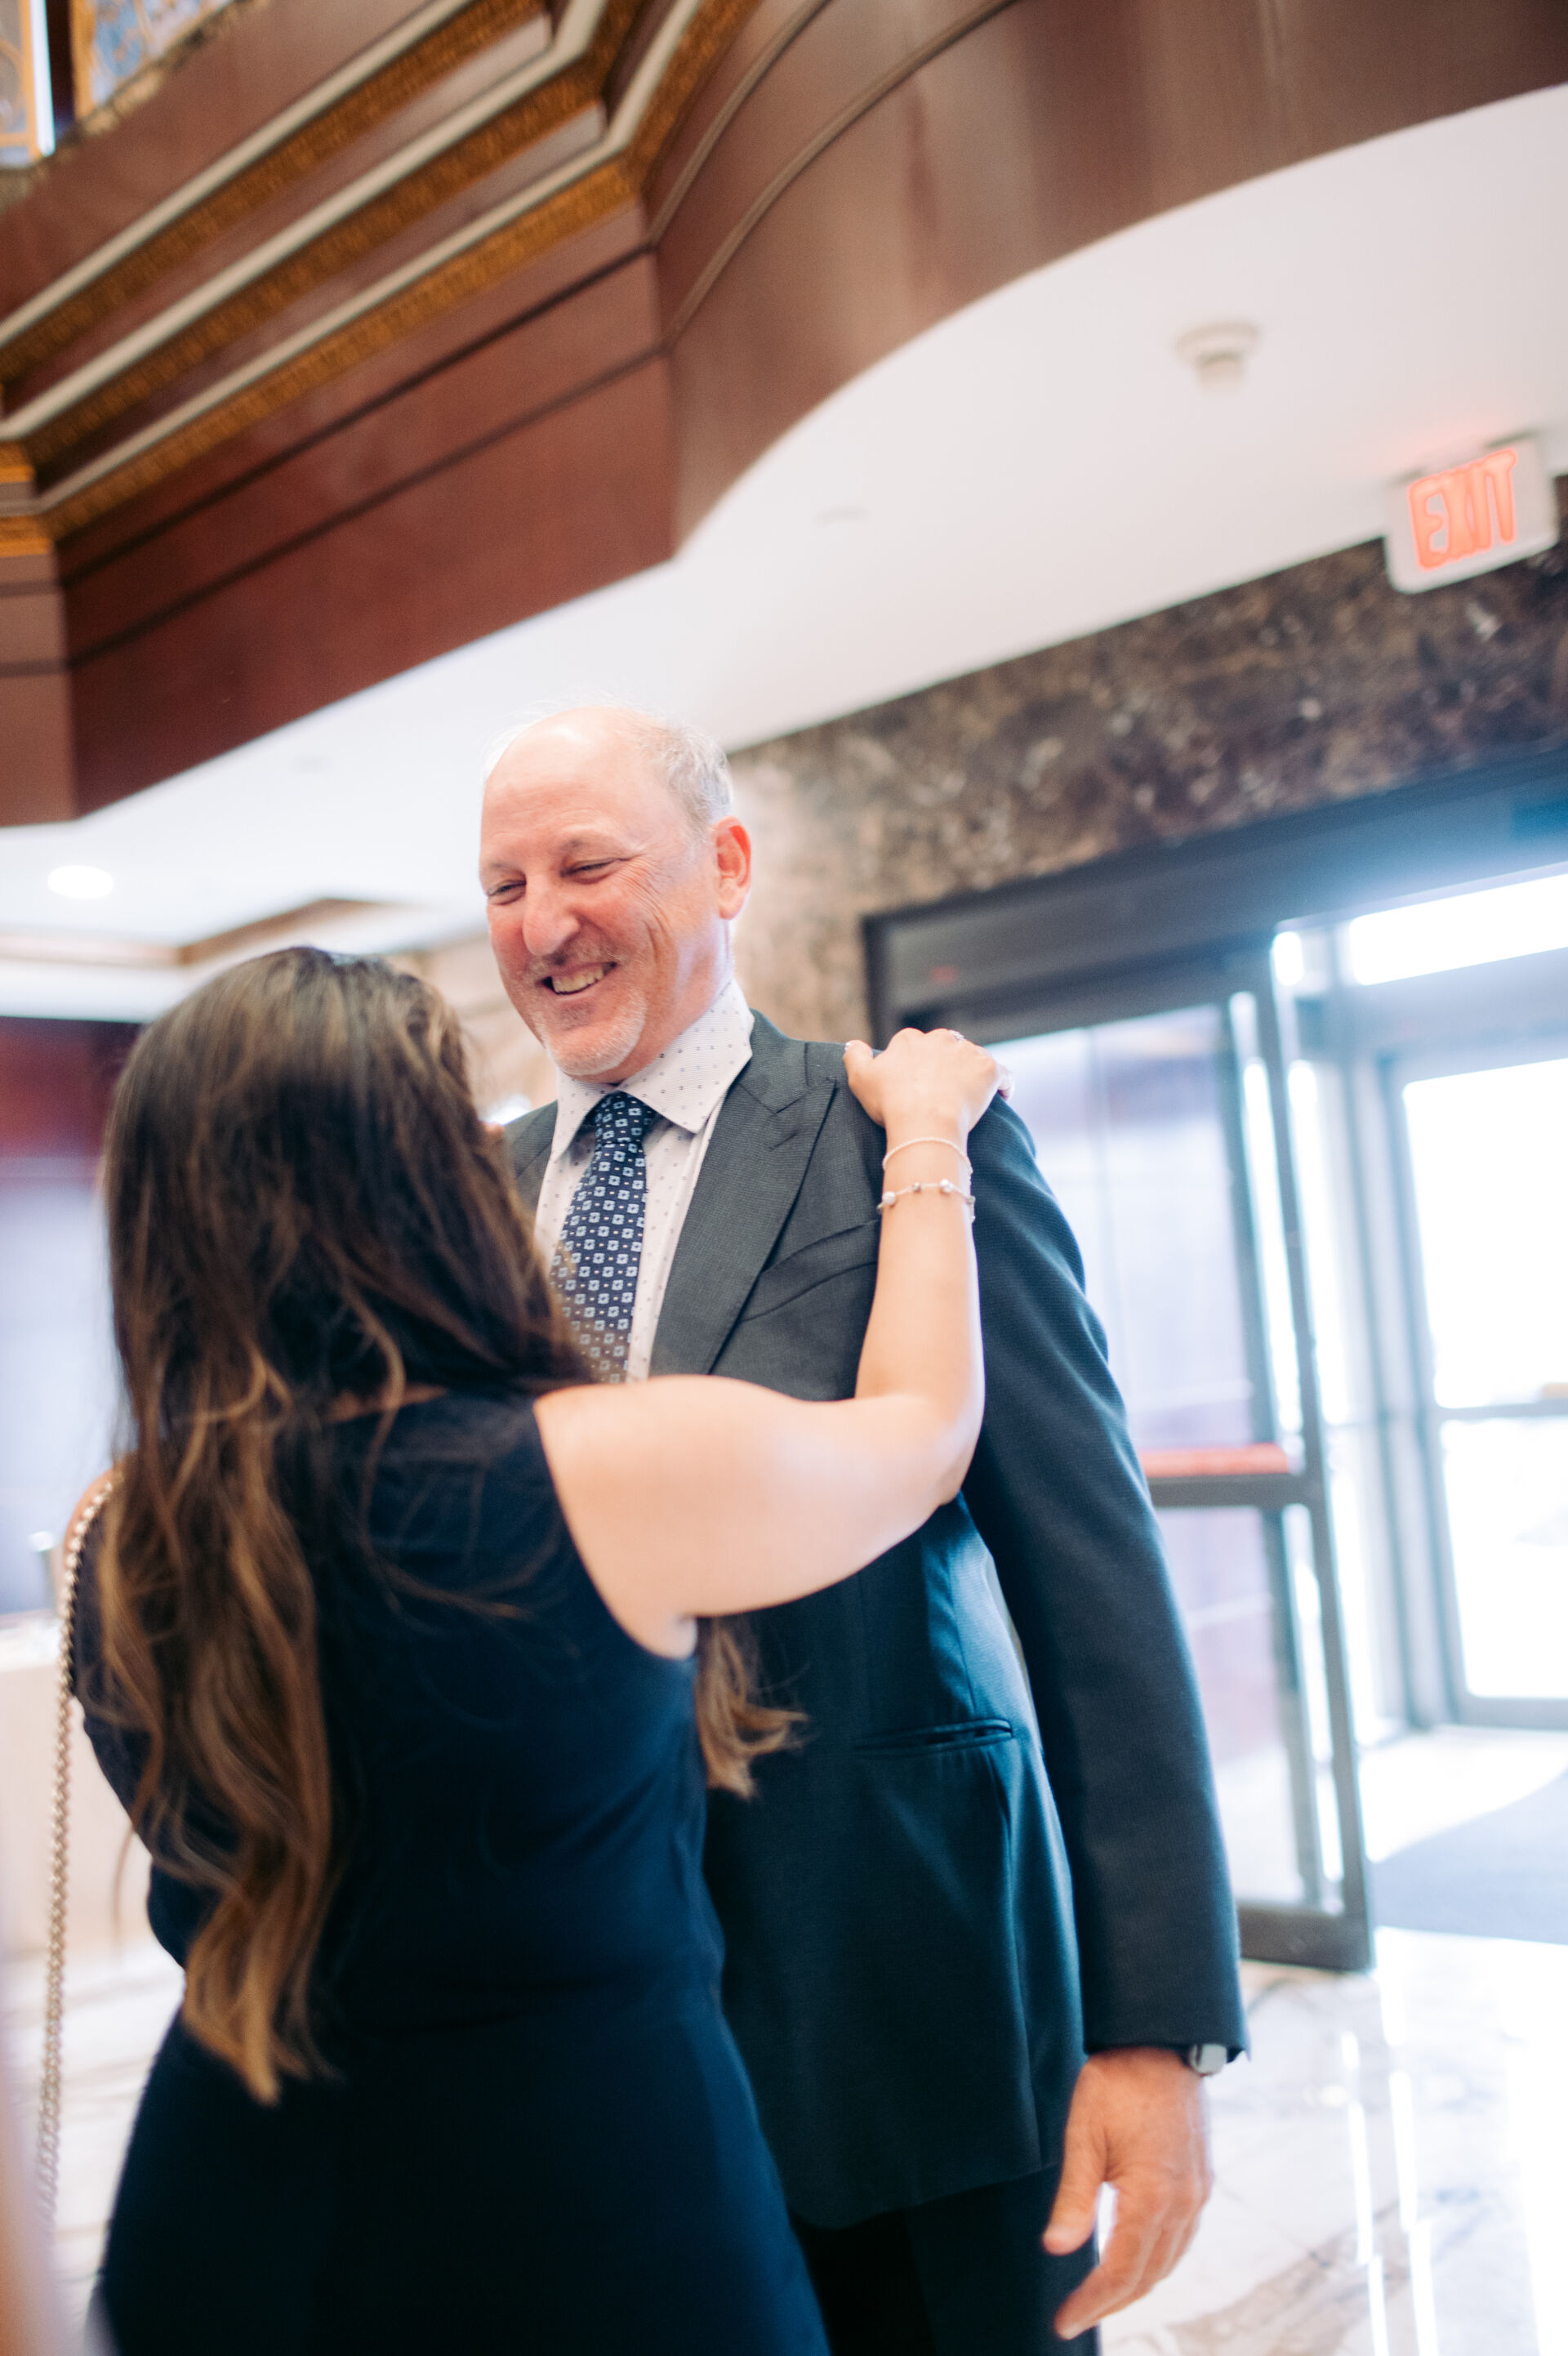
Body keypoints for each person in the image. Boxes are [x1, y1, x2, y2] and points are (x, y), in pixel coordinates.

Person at [69, 948, 1000, 2356]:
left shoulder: (121, 1534)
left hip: (226, 2223)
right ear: (423, 1174)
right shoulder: (591, 1471)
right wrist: (928, 1138)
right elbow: (923, 1435)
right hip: (586, 2216)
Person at [483, 707, 1249, 2354]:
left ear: (726, 865)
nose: (543, 925)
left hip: (914, 2024)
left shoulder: (899, 1130)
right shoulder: (461, 1197)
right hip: (586, 2054)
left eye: (587, 864)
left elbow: (1092, 1577)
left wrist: (1153, 2025)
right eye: (503, 885)